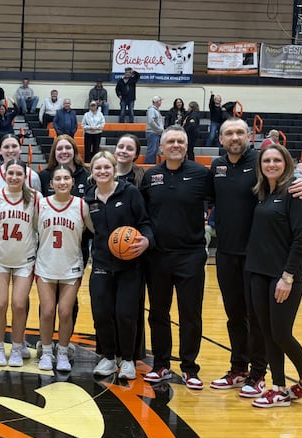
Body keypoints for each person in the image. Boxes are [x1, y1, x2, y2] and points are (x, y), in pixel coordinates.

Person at [208, 118, 302, 398]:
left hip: (258, 258)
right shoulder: (217, 166)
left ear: (249, 136)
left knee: (259, 321)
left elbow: (287, 177)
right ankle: (238, 368)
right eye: (228, 133)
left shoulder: (260, 162)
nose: (234, 137)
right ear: (220, 139)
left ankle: (258, 375)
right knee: (234, 316)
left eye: (240, 132)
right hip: (226, 252)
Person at [246, 143, 302, 407]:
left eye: (277, 160)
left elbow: (301, 239)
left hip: (285, 275)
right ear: (260, 165)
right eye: (266, 161)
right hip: (259, 272)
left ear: (286, 163)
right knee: (267, 332)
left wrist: (287, 277)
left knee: (281, 333)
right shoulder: (264, 192)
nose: (271, 165)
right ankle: (277, 388)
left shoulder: (295, 192)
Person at [140, 126, 210, 389]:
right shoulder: (151, 176)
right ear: (161, 147)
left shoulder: (202, 174)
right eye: (171, 141)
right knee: (158, 313)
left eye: (181, 141)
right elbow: (144, 215)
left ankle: (190, 368)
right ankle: (160, 365)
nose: (176, 145)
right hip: (157, 256)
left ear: (187, 145)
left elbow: (222, 200)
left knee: (190, 314)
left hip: (190, 256)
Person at [85, 151, 153, 380]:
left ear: (114, 170)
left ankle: (128, 360)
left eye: (107, 167)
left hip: (130, 264)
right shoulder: (89, 199)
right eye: (98, 168)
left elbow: (145, 223)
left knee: (126, 314)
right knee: (102, 313)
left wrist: (146, 241)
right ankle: (108, 357)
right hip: (102, 263)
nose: (102, 172)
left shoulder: (130, 192)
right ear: (92, 172)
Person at [0, 159, 40, 367]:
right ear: (4, 175)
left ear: (26, 176)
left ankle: (17, 347)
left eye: (19, 174)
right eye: (11, 173)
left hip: (25, 259)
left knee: (18, 304)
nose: (15, 177)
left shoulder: (35, 198)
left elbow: (39, 226)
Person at [35, 164, 91, 373]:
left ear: (73, 182)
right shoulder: (41, 205)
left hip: (71, 265)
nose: (62, 182)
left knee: (66, 312)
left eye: (66, 178)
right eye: (57, 179)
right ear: (51, 184)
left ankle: (63, 351)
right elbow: (33, 230)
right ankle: (47, 352)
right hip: (46, 265)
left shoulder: (81, 205)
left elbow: (93, 230)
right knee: (48, 312)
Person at [145, 95, 164, 165]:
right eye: (160, 101)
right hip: (153, 132)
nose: (161, 102)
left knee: (154, 150)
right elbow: (151, 121)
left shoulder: (155, 110)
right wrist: (159, 130)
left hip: (155, 132)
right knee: (152, 150)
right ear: (156, 102)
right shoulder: (152, 110)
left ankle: (150, 165)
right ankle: (149, 166)